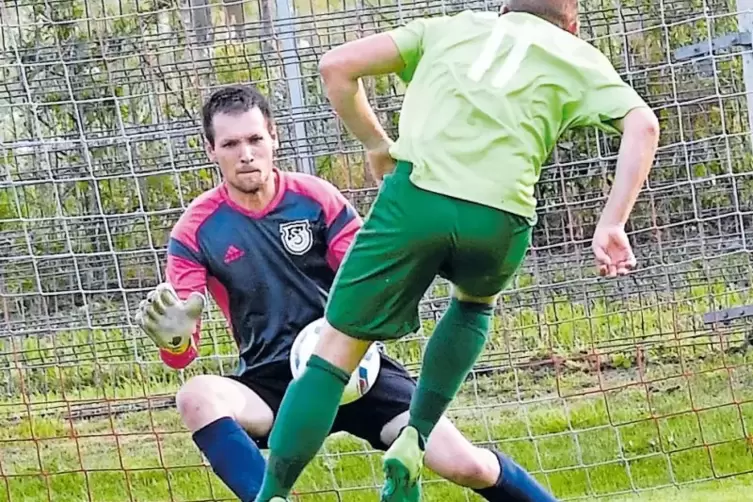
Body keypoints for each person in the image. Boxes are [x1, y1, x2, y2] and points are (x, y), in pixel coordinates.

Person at [252, 0, 661, 501]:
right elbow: (644, 126)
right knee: (473, 305)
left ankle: (271, 493)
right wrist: (612, 221)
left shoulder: (450, 27)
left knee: (334, 352)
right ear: (571, 22)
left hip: (417, 200)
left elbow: (336, 67)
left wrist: (377, 144)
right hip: (499, 219)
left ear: (505, 6)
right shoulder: (578, 55)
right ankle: (415, 436)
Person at [134, 84, 556, 502]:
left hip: (356, 366)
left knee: (467, 465)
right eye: (230, 143)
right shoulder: (195, 230)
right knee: (195, 397)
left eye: (254, 139)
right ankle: (271, 499)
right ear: (211, 150)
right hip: (273, 381)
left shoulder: (315, 199)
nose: (245, 153)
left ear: (273, 138)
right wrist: (175, 340)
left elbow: (370, 277)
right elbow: (181, 354)